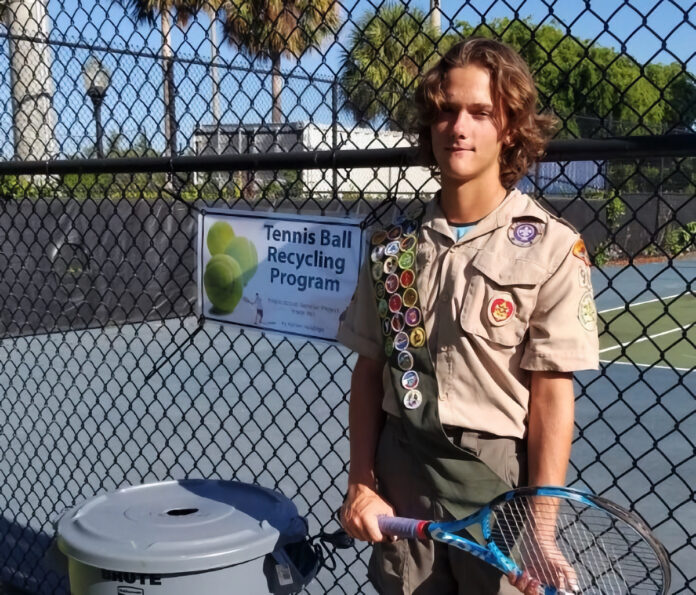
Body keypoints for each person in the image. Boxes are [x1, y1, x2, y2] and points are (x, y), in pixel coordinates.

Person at [336, 37, 599, 595]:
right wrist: (361, 482)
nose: (460, 126)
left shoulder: (551, 247)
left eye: (481, 113)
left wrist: (542, 528)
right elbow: (368, 372)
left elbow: (552, 393)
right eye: (446, 110)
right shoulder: (391, 250)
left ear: (510, 129)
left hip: (495, 483)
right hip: (402, 467)